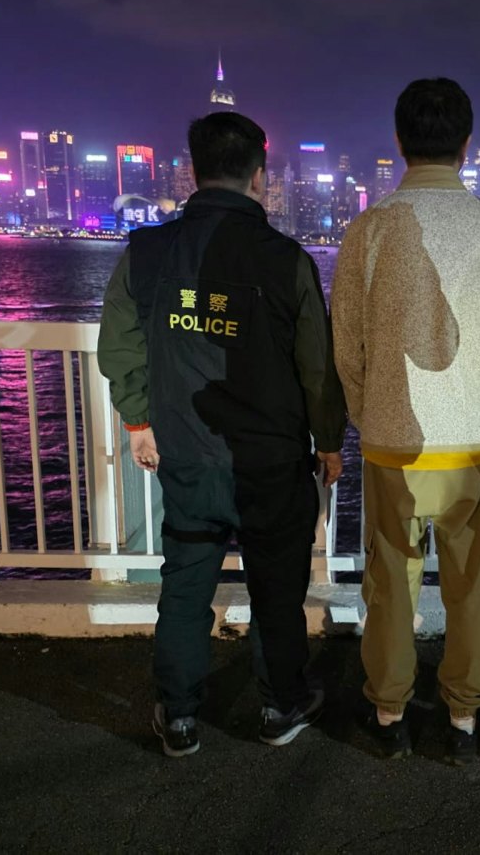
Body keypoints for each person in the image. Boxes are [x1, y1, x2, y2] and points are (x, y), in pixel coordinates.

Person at [98, 111, 346, 757]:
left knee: (185, 584)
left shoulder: (147, 253)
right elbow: (317, 369)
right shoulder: (286, 260)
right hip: (270, 462)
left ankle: (179, 716)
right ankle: (279, 706)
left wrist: (138, 420)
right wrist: (328, 442)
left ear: (192, 171)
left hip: (185, 454)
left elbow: (118, 347)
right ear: (259, 177)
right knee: (276, 589)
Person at [332, 78, 480, 764]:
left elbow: (346, 346)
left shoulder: (368, 228)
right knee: (472, 586)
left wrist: (366, 414)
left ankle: (389, 712)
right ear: (467, 143)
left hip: (393, 442)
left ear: (399, 139)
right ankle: (464, 717)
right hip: (477, 444)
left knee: (390, 582)